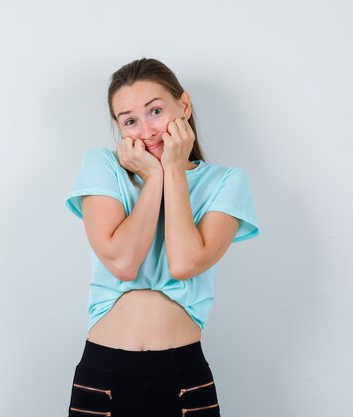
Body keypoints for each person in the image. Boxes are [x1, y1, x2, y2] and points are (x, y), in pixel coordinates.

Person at [64, 58, 260, 417]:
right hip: (102, 373)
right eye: (130, 120)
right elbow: (123, 262)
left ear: (183, 106)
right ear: (119, 128)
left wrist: (172, 170)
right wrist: (152, 179)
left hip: (183, 377)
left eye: (155, 110)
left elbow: (184, 262)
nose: (147, 130)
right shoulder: (102, 166)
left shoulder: (228, 182)